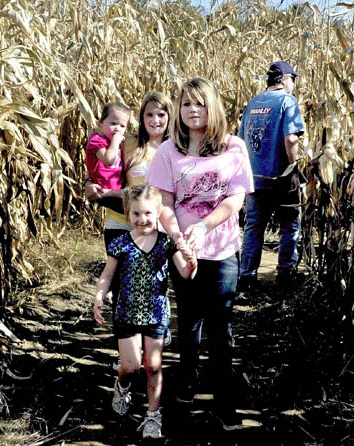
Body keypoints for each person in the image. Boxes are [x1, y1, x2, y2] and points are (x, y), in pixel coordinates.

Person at [146, 77, 254, 430]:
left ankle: (225, 402)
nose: (194, 111)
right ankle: (187, 385)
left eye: (201, 103)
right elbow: (163, 201)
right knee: (189, 324)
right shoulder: (168, 151)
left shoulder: (233, 147)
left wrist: (204, 227)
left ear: (213, 107)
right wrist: (179, 239)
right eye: (187, 104)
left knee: (221, 328)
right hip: (182, 250)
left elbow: (235, 199)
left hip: (222, 251)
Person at [93, 185, 197, 439]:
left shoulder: (166, 244)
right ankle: (123, 384)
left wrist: (192, 263)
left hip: (156, 314)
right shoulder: (120, 244)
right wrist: (99, 296)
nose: (143, 219)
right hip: (126, 313)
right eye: (136, 214)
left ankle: (153, 416)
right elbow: (107, 277)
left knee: (153, 366)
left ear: (159, 212)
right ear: (128, 214)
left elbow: (185, 273)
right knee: (131, 366)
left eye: (149, 213)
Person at [85, 93, 175, 365]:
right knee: (121, 288)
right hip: (120, 223)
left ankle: (154, 333)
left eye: (161, 114)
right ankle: (126, 352)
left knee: (153, 284)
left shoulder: (175, 148)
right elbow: (102, 166)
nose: (155, 120)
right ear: (141, 118)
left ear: (170, 117)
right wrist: (89, 182)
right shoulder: (129, 142)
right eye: (149, 114)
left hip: (156, 228)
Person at [237, 61, 306, 290]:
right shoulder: (287, 101)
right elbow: (291, 139)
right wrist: (294, 168)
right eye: (292, 80)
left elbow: (240, 141)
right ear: (285, 79)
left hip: (254, 178)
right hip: (281, 178)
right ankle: (285, 275)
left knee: (254, 227)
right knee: (290, 225)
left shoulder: (253, 103)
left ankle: (246, 277)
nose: (293, 84)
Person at [85, 102, 130, 225]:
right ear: (101, 122)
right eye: (113, 123)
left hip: (115, 189)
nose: (117, 129)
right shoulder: (96, 140)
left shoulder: (111, 140)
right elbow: (109, 160)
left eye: (122, 126)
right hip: (102, 191)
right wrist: (115, 141)